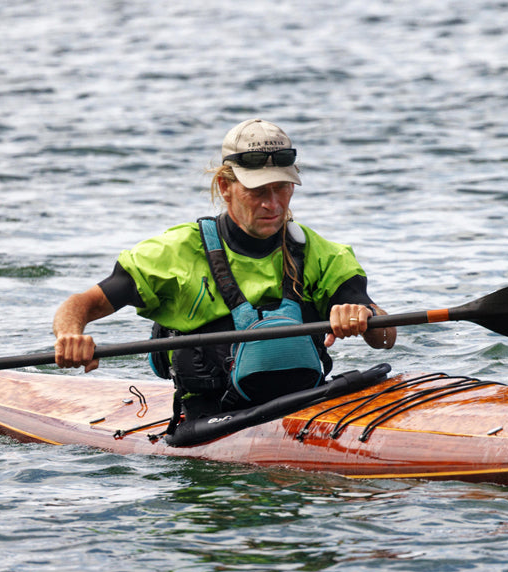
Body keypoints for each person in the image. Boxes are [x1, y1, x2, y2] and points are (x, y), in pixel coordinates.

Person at [53, 118, 395, 420]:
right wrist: (70, 335)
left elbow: (385, 338)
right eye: (257, 191)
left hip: (307, 405)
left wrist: (364, 319)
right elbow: (80, 305)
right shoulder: (172, 254)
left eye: (282, 188)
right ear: (225, 187)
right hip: (211, 421)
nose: (273, 205)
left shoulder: (324, 255)